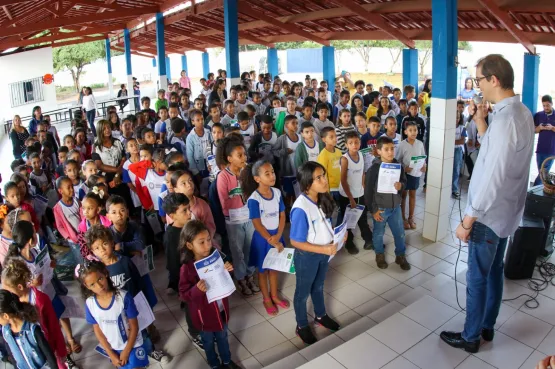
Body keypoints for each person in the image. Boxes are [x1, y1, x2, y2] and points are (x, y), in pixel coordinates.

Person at [441, 54, 535, 354]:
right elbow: (498, 154)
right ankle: (486, 326)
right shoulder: (520, 113)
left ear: (494, 79)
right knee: (494, 271)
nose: (477, 86)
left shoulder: (507, 119)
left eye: (479, 79)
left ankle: (471, 337)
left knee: (477, 278)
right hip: (506, 212)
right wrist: (482, 123)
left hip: (488, 214)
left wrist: (468, 219)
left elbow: (492, 176)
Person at [290, 161, 341, 345]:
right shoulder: (300, 207)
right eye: (318, 178)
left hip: (323, 253)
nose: (324, 180)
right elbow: (295, 241)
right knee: (302, 294)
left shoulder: (321, 197)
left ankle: (320, 315)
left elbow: (323, 224)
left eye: (323, 175)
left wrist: (338, 234)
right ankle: (301, 325)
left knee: (318, 286)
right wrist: (323, 249)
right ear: (307, 183)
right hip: (308, 257)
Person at [178, 220, 238, 369]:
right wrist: (197, 290)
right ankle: (214, 364)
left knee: (223, 337)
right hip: (203, 317)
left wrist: (228, 271)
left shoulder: (216, 258)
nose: (208, 245)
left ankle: (227, 361)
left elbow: (224, 282)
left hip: (221, 311)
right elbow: (183, 295)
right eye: (201, 242)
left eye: (209, 240)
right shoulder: (187, 269)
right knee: (208, 342)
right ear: (190, 245)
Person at [1, 258, 76, 368]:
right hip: (32, 355)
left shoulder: (41, 299)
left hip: (49, 349)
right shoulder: (13, 304)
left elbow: (54, 327)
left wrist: (61, 351)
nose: (6, 294)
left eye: (8, 291)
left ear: (20, 287)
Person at [78, 259, 150, 369]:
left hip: (132, 343)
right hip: (114, 347)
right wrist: (111, 353)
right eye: (92, 284)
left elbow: (134, 326)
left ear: (105, 273)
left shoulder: (123, 297)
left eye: (100, 279)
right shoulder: (90, 303)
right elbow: (97, 330)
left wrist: (126, 351)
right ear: (87, 286)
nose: (99, 286)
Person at [240, 160, 289, 316]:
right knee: (262, 271)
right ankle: (266, 298)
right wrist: (270, 239)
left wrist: (279, 236)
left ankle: (274, 295)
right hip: (263, 239)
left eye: (273, 172)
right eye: (267, 174)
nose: (272, 176)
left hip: (277, 235)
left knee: (274, 268)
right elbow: (257, 223)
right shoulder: (254, 199)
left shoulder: (277, 193)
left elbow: (282, 215)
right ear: (257, 179)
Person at [216, 135, 259, 296]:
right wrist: (239, 201)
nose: (244, 158)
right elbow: (224, 203)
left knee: (250, 247)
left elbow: (254, 192)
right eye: (239, 155)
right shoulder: (223, 177)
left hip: (249, 217)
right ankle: (240, 277)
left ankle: (250, 274)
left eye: (244, 154)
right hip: (233, 220)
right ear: (229, 158)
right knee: (237, 250)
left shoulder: (247, 171)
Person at [365, 136, 410, 270]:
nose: (390, 152)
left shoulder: (398, 166)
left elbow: (404, 182)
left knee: (400, 233)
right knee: (378, 233)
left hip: (395, 207)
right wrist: (373, 210)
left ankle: (400, 255)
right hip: (381, 209)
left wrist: (400, 185)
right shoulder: (373, 170)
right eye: (386, 149)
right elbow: (368, 192)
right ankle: (379, 254)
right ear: (379, 151)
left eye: (392, 148)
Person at [0, 290, 58, 369]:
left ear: (6, 316)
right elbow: (12, 356)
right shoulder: (5, 331)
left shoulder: (32, 329)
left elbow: (49, 355)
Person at [338, 131, 373, 254]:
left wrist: (363, 188)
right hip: (347, 195)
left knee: (362, 217)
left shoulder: (361, 155)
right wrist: (351, 198)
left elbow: (363, 173)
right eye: (351, 143)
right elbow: (343, 180)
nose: (354, 145)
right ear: (346, 145)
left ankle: (369, 240)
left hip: (359, 193)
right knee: (347, 220)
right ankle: (348, 243)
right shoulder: (345, 159)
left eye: (357, 142)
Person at [397, 122, 426, 230]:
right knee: (404, 196)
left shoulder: (420, 144)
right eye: (411, 130)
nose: (413, 132)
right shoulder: (402, 145)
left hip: (416, 174)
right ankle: (403, 218)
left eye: (415, 130)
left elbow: (423, 157)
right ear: (405, 132)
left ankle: (411, 218)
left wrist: (424, 166)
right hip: (405, 174)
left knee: (413, 194)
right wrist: (404, 168)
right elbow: (397, 160)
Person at [162, 192, 192, 295]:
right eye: (184, 210)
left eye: (189, 208)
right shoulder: (171, 237)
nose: (189, 213)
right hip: (184, 276)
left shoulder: (189, 225)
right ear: (172, 216)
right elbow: (173, 264)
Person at [533, 95, 555, 185]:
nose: (546, 107)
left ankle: (532, 192)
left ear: (552, 104)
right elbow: (534, 130)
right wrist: (539, 127)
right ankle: (541, 193)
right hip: (540, 150)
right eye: (544, 105)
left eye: (548, 105)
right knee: (541, 174)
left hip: (551, 151)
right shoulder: (539, 115)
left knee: (543, 174)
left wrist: (552, 128)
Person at [452, 109, 467, 200]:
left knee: (456, 170)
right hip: (448, 150)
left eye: (457, 117)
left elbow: (462, 140)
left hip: (458, 150)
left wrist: (452, 141)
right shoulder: (448, 127)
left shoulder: (462, 128)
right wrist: (455, 141)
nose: (456, 119)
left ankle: (454, 189)